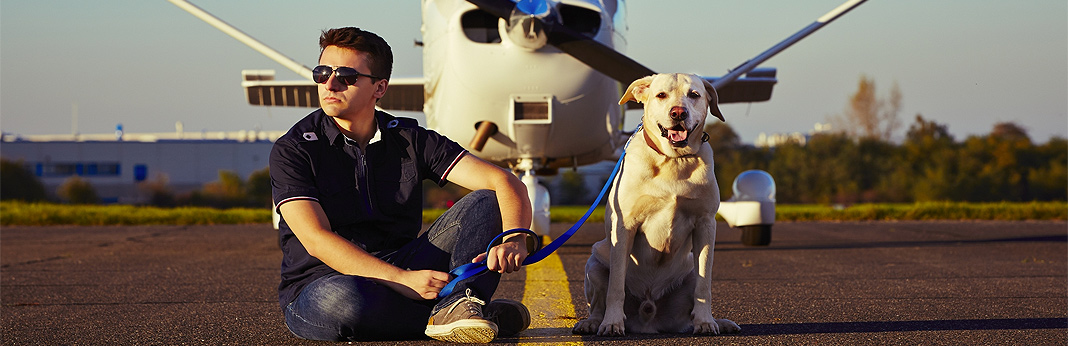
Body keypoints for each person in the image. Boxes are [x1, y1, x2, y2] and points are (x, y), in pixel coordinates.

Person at [269, 27, 534, 343]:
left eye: (347, 76)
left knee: (488, 201)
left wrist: (515, 238)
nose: (330, 83)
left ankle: (456, 306)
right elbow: (316, 239)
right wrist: (401, 280)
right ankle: (461, 308)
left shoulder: (410, 139)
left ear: (379, 87)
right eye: (322, 72)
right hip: (324, 282)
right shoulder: (295, 148)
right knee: (348, 302)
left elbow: (504, 182)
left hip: (405, 267)